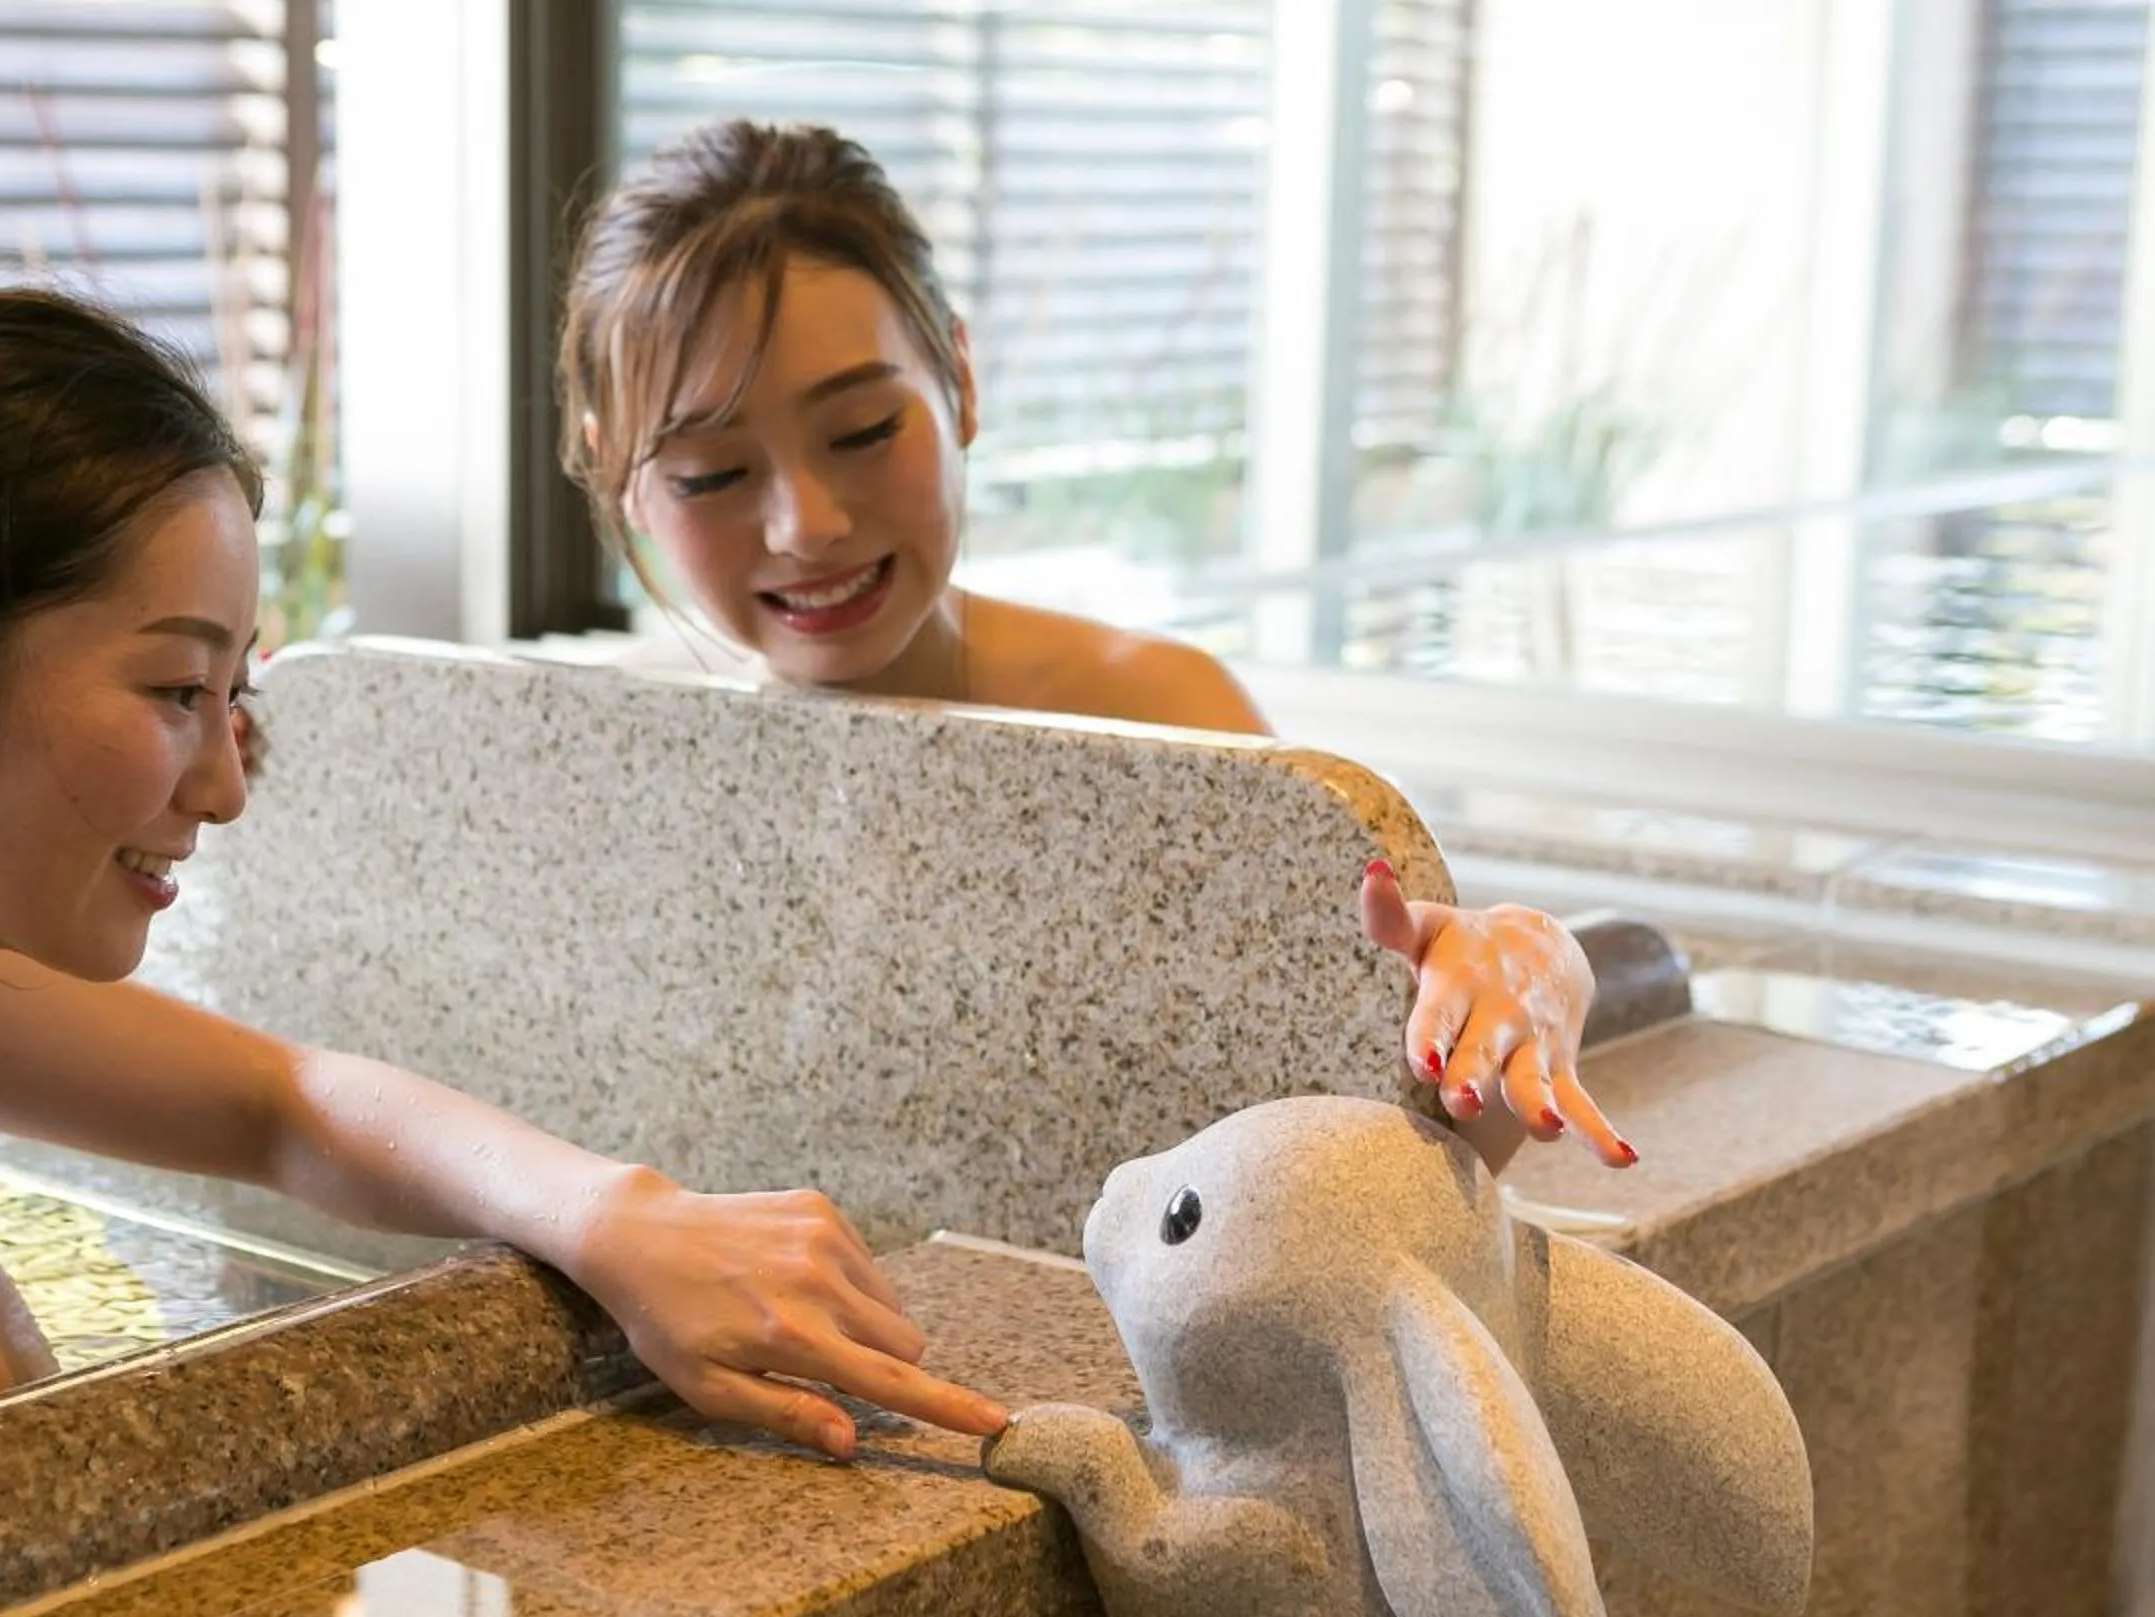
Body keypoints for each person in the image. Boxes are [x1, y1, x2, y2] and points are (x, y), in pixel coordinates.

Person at [0, 287, 1009, 1546]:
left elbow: (282, 1105)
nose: (221, 784)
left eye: (235, 694)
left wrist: (619, 1214)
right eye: (169, 691)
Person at [557, 119, 1629, 1169]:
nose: (808, 525)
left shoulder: (1159, 720)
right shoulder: (617, 761)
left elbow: (1416, 1141)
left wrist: (1531, 968)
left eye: (864, 432)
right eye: (712, 474)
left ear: (961, 385)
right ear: (622, 480)